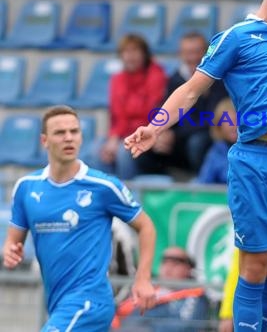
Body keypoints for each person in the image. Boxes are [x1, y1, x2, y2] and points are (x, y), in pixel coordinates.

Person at [124, 0, 267, 332]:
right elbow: (191, 90)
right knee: (254, 264)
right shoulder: (236, 37)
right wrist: (155, 125)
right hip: (256, 161)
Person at [2, 105, 157, 332]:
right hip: (57, 304)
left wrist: (143, 279)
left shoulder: (103, 186)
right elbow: (13, 239)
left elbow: (146, 226)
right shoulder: (26, 187)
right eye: (60, 133)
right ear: (44, 140)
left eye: (74, 131)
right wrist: (10, 251)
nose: (68, 138)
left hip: (91, 302)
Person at [137, 33, 228, 176]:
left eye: (196, 51)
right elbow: (165, 109)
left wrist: (175, 133)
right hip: (180, 138)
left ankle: (201, 186)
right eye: (187, 52)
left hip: (206, 136)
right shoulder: (175, 79)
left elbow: (214, 118)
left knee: (197, 143)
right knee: (146, 147)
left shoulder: (219, 79)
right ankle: (159, 190)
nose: (192, 57)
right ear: (180, 54)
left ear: (206, 52)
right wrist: (162, 132)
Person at [92, 34, 167, 179]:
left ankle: (127, 193)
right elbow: (118, 114)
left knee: (123, 151)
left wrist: (120, 138)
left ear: (144, 54)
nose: (130, 56)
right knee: (95, 149)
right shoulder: (117, 79)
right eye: (126, 52)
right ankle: (105, 191)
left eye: (135, 51)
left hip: (145, 133)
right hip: (123, 132)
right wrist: (113, 138)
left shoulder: (156, 75)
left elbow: (149, 113)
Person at [114, 246, 211, 332]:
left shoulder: (195, 295)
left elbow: (186, 327)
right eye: (165, 262)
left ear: (188, 269)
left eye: (176, 262)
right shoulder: (145, 292)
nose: (168, 267)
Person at [195, 97, 237, 184]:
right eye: (228, 121)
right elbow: (203, 182)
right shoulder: (216, 152)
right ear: (219, 125)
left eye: (237, 120)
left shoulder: (253, 149)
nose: (233, 125)